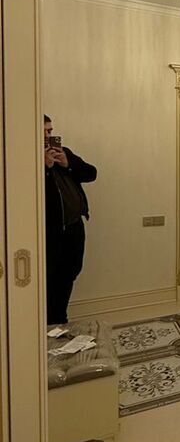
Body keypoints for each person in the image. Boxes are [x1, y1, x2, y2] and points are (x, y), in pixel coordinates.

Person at [44, 115, 97, 325]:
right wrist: (44, 168)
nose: (48, 135)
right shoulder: (24, 158)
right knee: (50, 278)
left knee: (70, 272)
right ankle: (48, 323)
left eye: (50, 131)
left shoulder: (63, 153)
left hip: (74, 227)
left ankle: (59, 319)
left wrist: (68, 163)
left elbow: (91, 173)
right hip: (51, 232)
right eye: (44, 131)